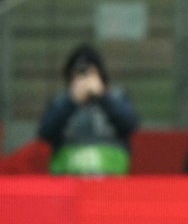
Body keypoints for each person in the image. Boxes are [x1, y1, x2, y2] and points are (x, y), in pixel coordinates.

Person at [38, 44, 139, 176]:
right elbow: (45, 133)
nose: (85, 80)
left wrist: (103, 97)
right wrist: (72, 101)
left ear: (100, 75)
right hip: (67, 182)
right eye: (80, 74)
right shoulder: (60, 101)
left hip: (111, 181)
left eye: (90, 73)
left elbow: (131, 125)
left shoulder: (116, 97)